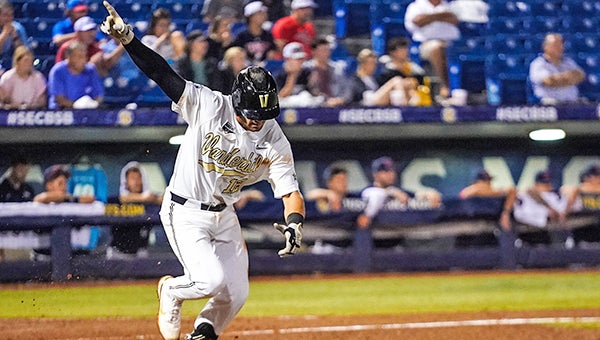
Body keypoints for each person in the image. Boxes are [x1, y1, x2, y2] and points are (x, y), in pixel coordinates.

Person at [100, 3, 305, 340]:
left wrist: (295, 222)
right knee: (208, 281)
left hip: (224, 214)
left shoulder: (274, 138)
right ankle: (171, 291)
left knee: (236, 292)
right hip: (185, 209)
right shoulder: (209, 105)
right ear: (237, 100)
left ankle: (204, 332)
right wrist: (128, 38)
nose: (258, 120)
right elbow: (162, 73)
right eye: (252, 112)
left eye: (264, 114)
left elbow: (290, 192)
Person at [404, 0, 461, 99]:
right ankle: (445, 85)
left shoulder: (449, 5)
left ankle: (460, 89)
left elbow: (455, 19)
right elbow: (418, 21)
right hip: (425, 44)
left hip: (451, 44)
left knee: (460, 52)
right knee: (436, 48)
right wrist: (441, 16)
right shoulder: (416, 5)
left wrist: (431, 17)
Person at [108, 161, 162, 259]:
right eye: (132, 178)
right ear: (126, 181)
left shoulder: (150, 201)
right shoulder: (116, 201)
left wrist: (151, 198)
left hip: (141, 253)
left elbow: (163, 199)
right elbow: (124, 198)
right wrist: (143, 198)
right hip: (117, 253)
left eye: (138, 178)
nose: (136, 182)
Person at [512, 170, 569, 245]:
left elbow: (562, 213)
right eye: (544, 184)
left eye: (549, 183)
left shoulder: (555, 196)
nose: (549, 186)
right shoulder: (525, 195)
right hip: (527, 235)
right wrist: (547, 210)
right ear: (536, 184)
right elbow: (519, 213)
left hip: (550, 236)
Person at [529, 33, 586, 105]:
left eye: (561, 44)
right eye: (555, 45)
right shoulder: (538, 64)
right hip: (549, 104)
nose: (560, 47)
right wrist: (569, 78)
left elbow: (580, 75)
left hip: (572, 103)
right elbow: (550, 81)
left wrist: (560, 79)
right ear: (546, 47)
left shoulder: (568, 61)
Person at [55, 16, 122, 78]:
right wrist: (91, 64)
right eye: (88, 31)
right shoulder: (67, 48)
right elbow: (59, 71)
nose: (92, 34)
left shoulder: (96, 49)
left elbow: (106, 67)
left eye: (93, 30)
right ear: (78, 33)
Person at [356, 157, 410, 229]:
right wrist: (391, 191)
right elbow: (376, 194)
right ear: (375, 174)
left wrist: (425, 194)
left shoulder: (398, 191)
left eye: (392, 171)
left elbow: (413, 196)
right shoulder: (366, 191)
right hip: (372, 232)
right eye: (386, 171)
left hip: (396, 233)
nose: (390, 174)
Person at [48, 41, 104, 109]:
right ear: (68, 57)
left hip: (88, 110)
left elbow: (98, 95)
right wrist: (77, 107)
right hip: (61, 111)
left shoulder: (91, 70)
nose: (84, 60)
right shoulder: (58, 71)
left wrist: (94, 104)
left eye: (85, 56)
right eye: (79, 57)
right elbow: (59, 99)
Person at [305, 37, 353, 107]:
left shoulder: (337, 69)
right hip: (313, 106)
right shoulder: (306, 69)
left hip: (335, 105)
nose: (326, 53)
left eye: (328, 50)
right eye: (322, 50)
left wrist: (340, 99)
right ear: (313, 52)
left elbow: (347, 89)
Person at [378, 37, 425, 106]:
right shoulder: (385, 68)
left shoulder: (411, 66)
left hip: (408, 94)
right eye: (401, 50)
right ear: (393, 52)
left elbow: (421, 78)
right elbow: (383, 84)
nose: (405, 52)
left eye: (406, 49)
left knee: (413, 93)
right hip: (387, 99)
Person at [274, 41, 322, 107]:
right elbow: (281, 97)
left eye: (302, 58)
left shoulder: (307, 73)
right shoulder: (279, 75)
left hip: (305, 108)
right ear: (287, 59)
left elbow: (313, 94)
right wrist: (292, 75)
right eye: (297, 59)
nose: (301, 61)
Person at [232, 1, 277, 65]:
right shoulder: (241, 37)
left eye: (264, 13)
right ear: (251, 17)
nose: (264, 16)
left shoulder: (268, 35)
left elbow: (271, 55)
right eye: (260, 13)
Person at [0, 0, 27, 72]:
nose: (9, 18)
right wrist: (5, 33)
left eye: (11, 15)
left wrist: (15, 37)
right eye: (5, 15)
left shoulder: (18, 28)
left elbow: (23, 52)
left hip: (12, 65)